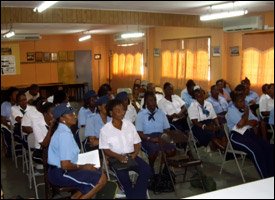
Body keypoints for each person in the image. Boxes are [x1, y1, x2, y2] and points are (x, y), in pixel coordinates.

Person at [47, 103, 107, 199]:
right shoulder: (64, 135)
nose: (74, 116)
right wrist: (84, 167)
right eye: (70, 115)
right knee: (101, 179)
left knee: (96, 171)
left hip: (61, 171)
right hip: (60, 174)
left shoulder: (64, 130)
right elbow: (65, 165)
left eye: (73, 114)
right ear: (62, 119)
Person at [99, 99, 152, 199]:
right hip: (115, 159)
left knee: (146, 170)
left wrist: (135, 154)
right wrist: (118, 156)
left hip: (131, 156)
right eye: (118, 110)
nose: (122, 113)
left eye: (123, 110)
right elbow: (105, 150)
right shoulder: (105, 130)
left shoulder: (129, 125)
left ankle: (136, 196)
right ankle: (138, 196)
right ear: (111, 113)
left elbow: (137, 143)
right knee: (124, 178)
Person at [226, 92, 274, 178]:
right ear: (234, 102)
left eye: (243, 101)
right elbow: (240, 125)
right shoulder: (231, 110)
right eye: (240, 101)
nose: (243, 103)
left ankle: (271, 174)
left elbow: (256, 121)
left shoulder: (245, 107)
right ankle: (265, 177)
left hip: (249, 133)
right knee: (255, 151)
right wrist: (247, 113)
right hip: (237, 136)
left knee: (269, 147)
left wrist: (247, 122)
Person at [135, 91, 176, 172]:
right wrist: (151, 139)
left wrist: (163, 137)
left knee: (172, 149)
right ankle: (151, 167)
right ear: (146, 103)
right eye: (150, 100)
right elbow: (139, 132)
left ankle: (163, 168)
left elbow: (167, 128)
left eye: (154, 100)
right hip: (147, 138)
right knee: (154, 150)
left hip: (161, 136)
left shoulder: (161, 113)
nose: (153, 103)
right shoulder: (141, 115)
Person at [188, 86, 227, 151]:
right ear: (195, 97)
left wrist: (217, 125)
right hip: (199, 126)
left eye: (201, 95)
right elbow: (195, 122)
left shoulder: (208, 104)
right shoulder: (192, 106)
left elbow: (214, 117)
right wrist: (205, 127)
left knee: (221, 130)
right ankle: (224, 149)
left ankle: (223, 147)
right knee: (210, 134)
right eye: (197, 96)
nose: (200, 97)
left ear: (204, 95)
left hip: (209, 122)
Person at [1, 87, 19, 157]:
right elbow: (2, 119)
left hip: (16, 124)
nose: (17, 96)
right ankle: (9, 149)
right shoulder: (5, 104)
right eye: (15, 95)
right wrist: (9, 126)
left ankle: (19, 148)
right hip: (6, 124)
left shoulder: (19, 104)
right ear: (10, 96)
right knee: (6, 132)